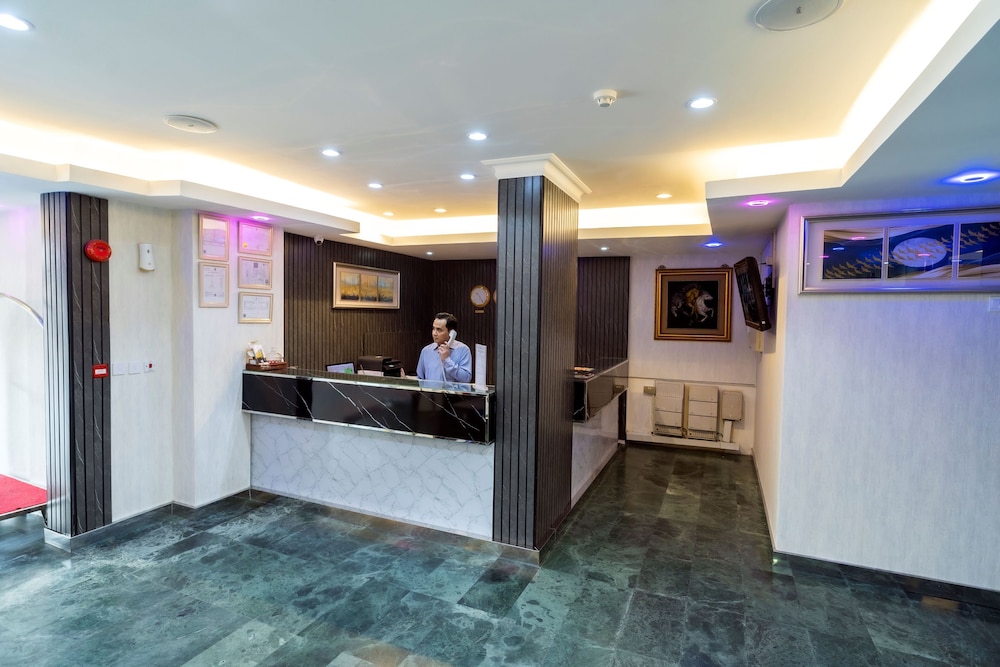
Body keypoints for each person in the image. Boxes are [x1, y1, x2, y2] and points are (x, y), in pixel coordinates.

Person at [415, 312, 472, 382]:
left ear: (451, 332)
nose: (434, 333)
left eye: (439, 330)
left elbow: (466, 379)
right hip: (430, 389)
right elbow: (420, 378)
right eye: (433, 329)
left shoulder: (463, 350)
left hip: (453, 389)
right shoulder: (426, 351)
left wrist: (446, 360)